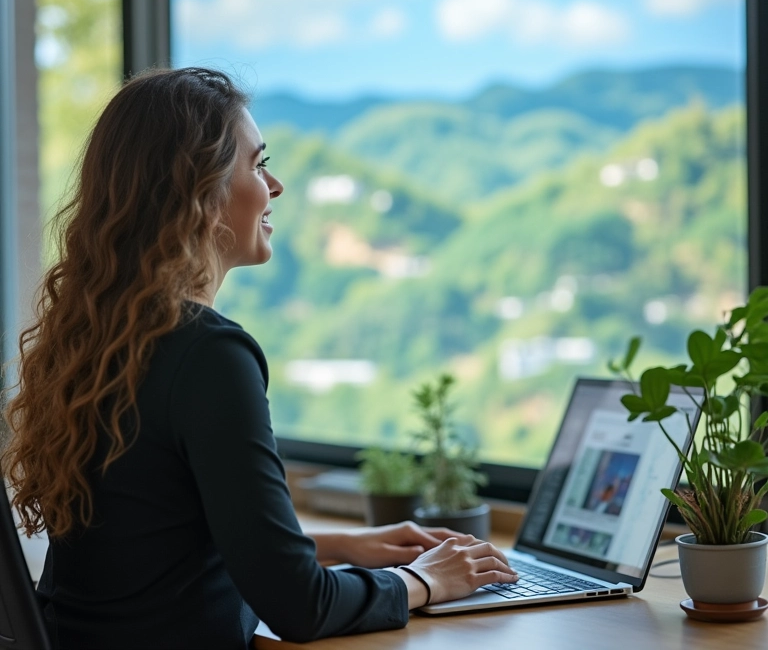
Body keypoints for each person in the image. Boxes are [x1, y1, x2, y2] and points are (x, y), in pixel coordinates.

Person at [2, 67, 516, 650]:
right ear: (196, 190)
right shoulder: (208, 354)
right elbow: (299, 606)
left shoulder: (97, 341)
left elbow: (161, 544)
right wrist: (422, 581)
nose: (274, 186)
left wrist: (345, 544)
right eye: (256, 164)